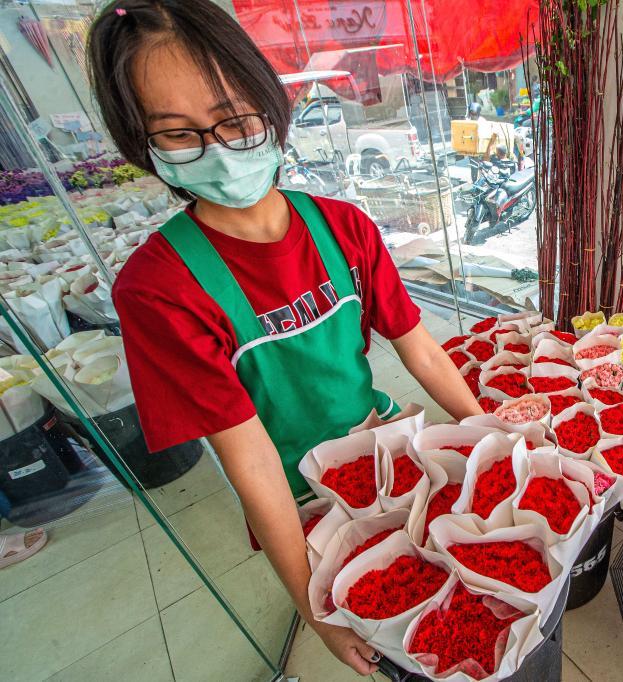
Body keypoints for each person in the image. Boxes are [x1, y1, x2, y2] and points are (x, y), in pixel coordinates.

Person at [86, 1, 482, 675]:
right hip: (301, 497)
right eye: (178, 134)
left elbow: (417, 347)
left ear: (270, 106)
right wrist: (312, 605)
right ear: (141, 143)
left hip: (386, 446)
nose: (217, 150)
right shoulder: (158, 290)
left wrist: (488, 428)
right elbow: (252, 462)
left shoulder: (344, 228)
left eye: (235, 120)